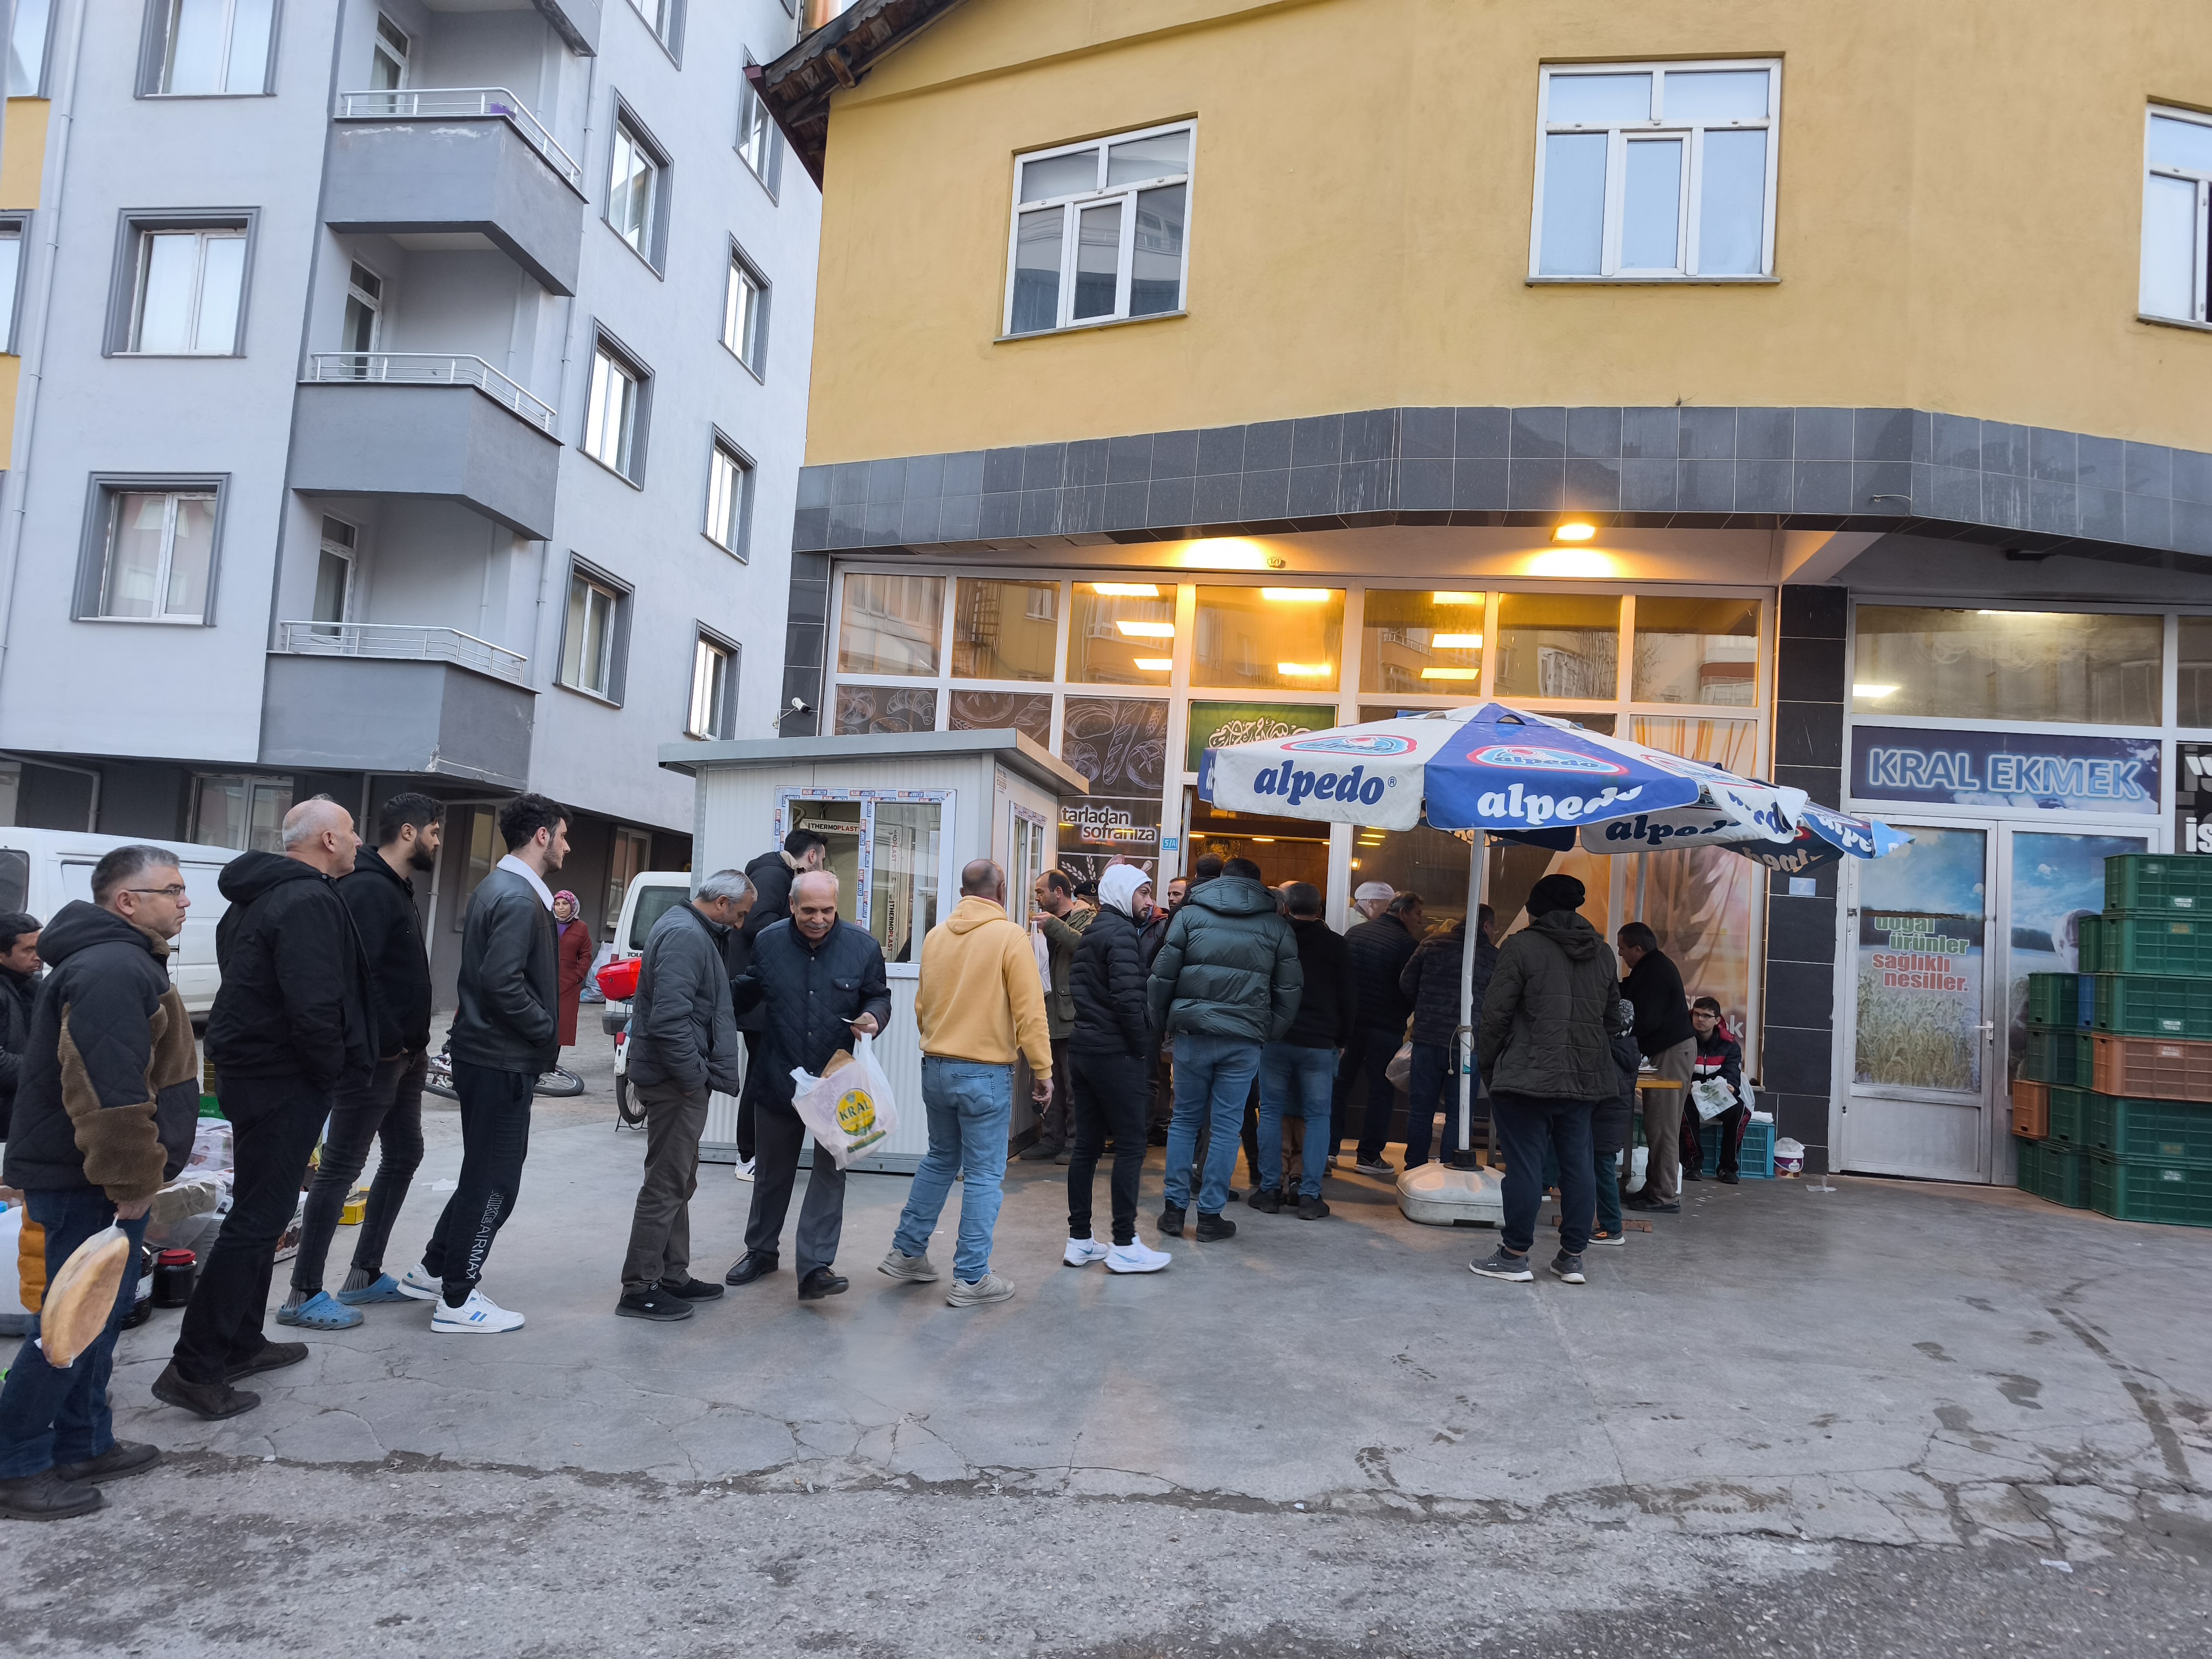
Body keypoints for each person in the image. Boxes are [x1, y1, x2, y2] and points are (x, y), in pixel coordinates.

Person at [161, 800, 374, 1417]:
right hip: (282, 1077)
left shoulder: (257, 895)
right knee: (259, 1219)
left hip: (253, 1071)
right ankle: (195, 1366)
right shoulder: (306, 900)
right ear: (329, 838)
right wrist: (331, 1073)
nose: (358, 842)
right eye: (354, 831)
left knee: (261, 1210)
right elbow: (314, 1004)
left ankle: (240, 1342)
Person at [0, 849, 196, 1518]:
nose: (185, 901)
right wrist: (133, 1179)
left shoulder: (126, 961)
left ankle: (84, 1442)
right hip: (88, 1178)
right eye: (171, 890)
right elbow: (108, 1094)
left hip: (90, 1177)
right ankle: (15, 1463)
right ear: (127, 902)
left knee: (100, 1319)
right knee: (67, 1323)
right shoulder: (113, 969)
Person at [397, 793, 566, 1333]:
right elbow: (501, 984)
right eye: (562, 835)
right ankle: (456, 1299)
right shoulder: (518, 898)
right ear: (541, 835)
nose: (565, 845)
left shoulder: (502, 888)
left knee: (481, 1174)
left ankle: (432, 1271)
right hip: (500, 1059)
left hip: (485, 1054)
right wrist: (546, 1034)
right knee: (496, 1183)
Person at [282, 793, 441, 1328]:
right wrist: (389, 1041)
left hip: (404, 1053)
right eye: (435, 834)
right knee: (343, 1166)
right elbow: (358, 976)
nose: (439, 844)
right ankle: (303, 1292)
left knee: (405, 1154)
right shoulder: (369, 888)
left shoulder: (394, 886)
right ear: (409, 833)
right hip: (377, 1056)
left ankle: (364, 1275)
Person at [884, 859, 1055, 1305]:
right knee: (983, 1174)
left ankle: (907, 1251)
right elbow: (1030, 1012)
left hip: (936, 1066)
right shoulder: (1010, 937)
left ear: (963, 891)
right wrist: (1043, 1071)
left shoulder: (937, 937)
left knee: (940, 1159)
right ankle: (972, 1277)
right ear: (1001, 890)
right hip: (984, 1074)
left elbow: (923, 1006)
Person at [726, 869, 889, 1300]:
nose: (819, 919)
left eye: (828, 911)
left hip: (838, 1084)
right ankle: (760, 1252)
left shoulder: (863, 947)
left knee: (830, 1175)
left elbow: (878, 995)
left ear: (838, 906)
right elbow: (747, 989)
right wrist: (708, 999)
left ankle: (816, 1266)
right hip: (779, 1076)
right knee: (772, 1175)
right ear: (793, 906)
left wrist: (875, 1017)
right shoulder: (770, 942)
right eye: (810, 911)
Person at [1471, 873, 1626, 1286]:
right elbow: (1613, 1019)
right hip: (1584, 1077)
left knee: (1525, 1167)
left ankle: (1514, 1255)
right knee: (1578, 1165)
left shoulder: (1521, 946)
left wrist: (1490, 1065)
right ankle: (1572, 1257)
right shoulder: (1604, 953)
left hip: (1526, 1076)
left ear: (1535, 908)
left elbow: (1495, 1015)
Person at [617, 869, 753, 1321]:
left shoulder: (687, 928)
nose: (739, 925)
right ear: (720, 904)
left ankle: (672, 1275)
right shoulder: (685, 936)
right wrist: (694, 1077)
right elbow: (670, 1018)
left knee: (680, 1178)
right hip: (675, 1082)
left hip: (675, 1077)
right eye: (739, 915)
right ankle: (639, 1288)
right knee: (666, 1183)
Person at [1147, 855, 1301, 1243]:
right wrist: (1269, 1031)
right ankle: (1211, 1217)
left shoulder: (1189, 915)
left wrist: (1164, 1021)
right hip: (1244, 1038)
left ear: (1220, 881)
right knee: (1227, 1127)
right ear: (1258, 886)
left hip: (1193, 1033)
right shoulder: (1276, 925)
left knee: (1184, 1121)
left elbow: (1162, 974)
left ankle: (1173, 1211)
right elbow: (1289, 990)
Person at [1057, 864, 1172, 1272]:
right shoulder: (1122, 933)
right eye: (1143, 893)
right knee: (1131, 1146)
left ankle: (1080, 1240)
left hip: (1085, 1050)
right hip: (1115, 1054)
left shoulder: (1094, 931)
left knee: (1086, 1146)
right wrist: (1143, 1048)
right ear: (1124, 894)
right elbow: (1128, 1000)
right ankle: (1125, 1244)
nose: (1150, 901)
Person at [731, 829, 830, 1179]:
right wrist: (801, 926)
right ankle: (748, 1157)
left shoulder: (773, 870)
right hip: (761, 998)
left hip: (763, 996)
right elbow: (757, 924)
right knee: (761, 1079)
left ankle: (757, 1155)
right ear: (814, 856)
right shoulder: (775, 874)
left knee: (768, 1076)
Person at [1251, 882, 1351, 1221]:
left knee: (1273, 1112)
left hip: (1277, 1039)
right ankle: (1309, 1196)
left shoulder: (1273, 939)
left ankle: (1268, 1191)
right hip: (1321, 1044)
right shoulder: (1338, 945)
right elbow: (1350, 999)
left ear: (1285, 908)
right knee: (1318, 1117)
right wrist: (1343, 1040)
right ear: (1320, 910)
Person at [1397, 905, 1498, 1171]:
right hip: (1467, 1047)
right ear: (1486, 926)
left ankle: (1415, 1168)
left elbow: (1407, 982)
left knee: (1421, 1110)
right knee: (1459, 1113)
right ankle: (1449, 1168)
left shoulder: (1431, 944)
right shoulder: (1492, 957)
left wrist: (1426, 1007)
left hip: (1427, 1040)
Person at [1335, 888, 1423, 1176]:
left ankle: (1328, 1149)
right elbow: (1410, 988)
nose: (1420, 921)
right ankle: (1369, 1155)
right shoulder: (1406, 945)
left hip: (1349, 1024)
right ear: (1402, 913)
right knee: (1381, 1091)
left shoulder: (1354, 934)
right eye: (1417, 914)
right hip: (1385, 1027)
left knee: (1340, 1085)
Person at [1617, 921, 1696, 1215]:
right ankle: (1654, 1187)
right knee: (1656, 1124)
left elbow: (1646, 1019)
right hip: (1669, 1050)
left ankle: (1665, 1195)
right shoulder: (1649, 968)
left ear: (1638, 949)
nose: (1621, 953)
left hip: (1673, 1052)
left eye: (1623, 948)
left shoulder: (1655, 971)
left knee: (1663, 1127)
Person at [1021, 868, 1083, 1164]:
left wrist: (1054, 927)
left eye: (1040, 892)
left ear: (1058, 893)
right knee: (1049, 1081)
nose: (1037, 897)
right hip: (1045, 1014)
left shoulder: (1087, 917)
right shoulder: (1040, 924)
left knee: (1073, 1085)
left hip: (1072, 1016)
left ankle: (1075, 1143)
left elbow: (1086, 948)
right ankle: (1051, 1138)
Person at [1141, 874, 1188, 1145]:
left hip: (1172, 1010)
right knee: (1157, 1070)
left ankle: (1158, 1124)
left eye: (1177, 894)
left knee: (1164, 1072)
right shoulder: (1161, 921)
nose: (1171, 899)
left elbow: (1159, 964)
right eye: (1169, 893)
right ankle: (1157, 1124)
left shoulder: (1174, 925)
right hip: (1157, 1007)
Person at [1590, 996, 1641, 1246]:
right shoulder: (1629, 1050)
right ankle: (1607, 1225)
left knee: (1602, 1175)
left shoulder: (1607, 1054)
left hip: (1602, 1123)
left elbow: (1598, 1093)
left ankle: (1611, 1229)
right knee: (1603, 1173)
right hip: (1613, 1123)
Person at [1686, 996, 1749, 1185]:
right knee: (1682, 1108)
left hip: (1716, 1095)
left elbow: (1732, 1074)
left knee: (1740, 1110)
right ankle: (1693, 1164)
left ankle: (1727, 1167)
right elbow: (1676, 1069)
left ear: (1717, 1020)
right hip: (1688, 1094)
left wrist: (1731, 1086)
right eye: (1696, 1014)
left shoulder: (1730, 1045)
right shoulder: (1682, 1040)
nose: (1700, 1019)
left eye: (1706, 1016)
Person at [0, 909, 42, 1120]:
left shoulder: (33, 987)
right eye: (29, 950)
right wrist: (44, 1066)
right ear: (2, 954)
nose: (39, 957)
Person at [552, 890, 593, 1057]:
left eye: (565, 903)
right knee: (541, 1021)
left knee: (561, 1026)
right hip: (544, 980)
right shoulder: (547, 923)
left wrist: (577, 977)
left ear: (573, 905)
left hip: (568, 984)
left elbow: (586, 955)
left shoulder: (581, 927)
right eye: (557, 904)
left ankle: (551, 1065)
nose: (561, 908)